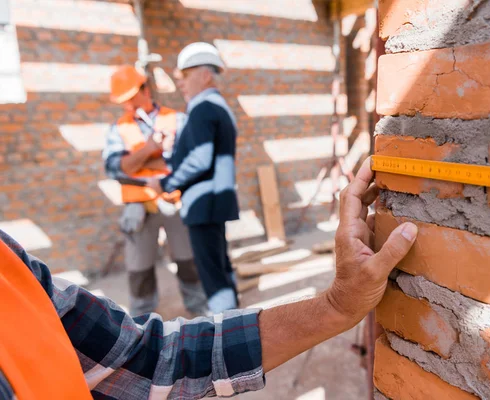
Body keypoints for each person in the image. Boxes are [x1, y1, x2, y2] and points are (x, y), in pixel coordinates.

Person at [0, 158, 418, 399]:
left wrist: (335, 308)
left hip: (182, 208)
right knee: (151, 273)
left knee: (199, 272)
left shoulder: (7, 264)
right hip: (160, 206)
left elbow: (149, 356)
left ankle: (206, 304)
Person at [103, 65, 207, 316]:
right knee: (139, 269)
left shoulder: (177, 119)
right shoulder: (119, 128)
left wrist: (138, 162)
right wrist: (149, 149)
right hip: (138, 208)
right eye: (123, 101)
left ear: (145, 89)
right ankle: (141, 320)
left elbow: (189, 162)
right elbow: (115, 168)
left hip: (175, 203)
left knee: (188, 261)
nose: (128, 106)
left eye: (131, 98)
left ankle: (200, 311)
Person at [147, 43, 240, 314]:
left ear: (206, 75)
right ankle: (234, 318)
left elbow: (200, 159)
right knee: (220, 266)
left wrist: (164, 184)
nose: (181, 84)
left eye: (185, 76)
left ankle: (225, 329)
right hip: (213, 202)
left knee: (212, 274)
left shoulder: (203, 109)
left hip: (204, 203)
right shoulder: (216, 108)